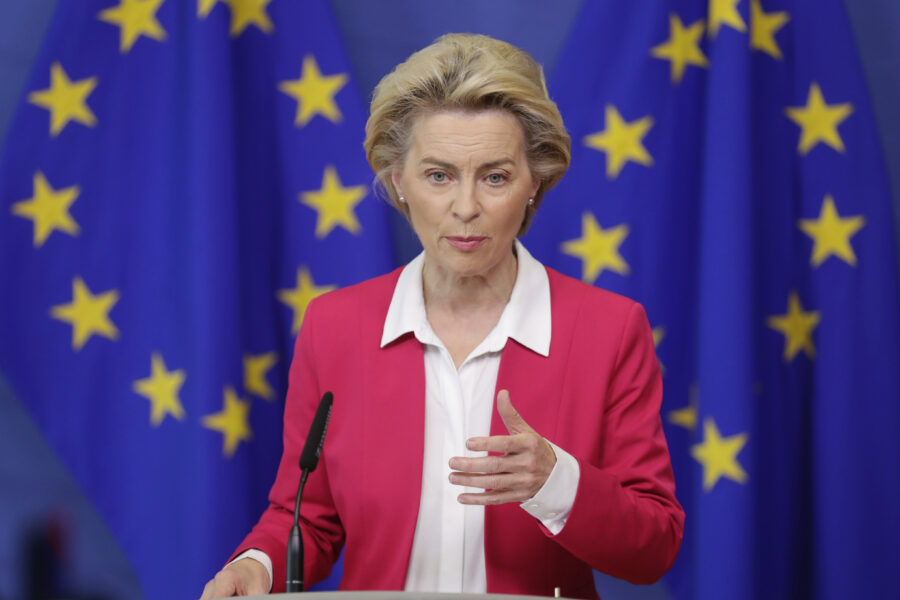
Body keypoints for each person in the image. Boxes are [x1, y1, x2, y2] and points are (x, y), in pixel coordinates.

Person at [200, 33, 684, 600]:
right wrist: (257, 565)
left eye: (495, 177)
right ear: (398, 181)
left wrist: (556, 481)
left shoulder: (609, 330)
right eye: (439, 175)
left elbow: (655, 548)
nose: (466, 207)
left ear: (535, 183)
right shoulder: (334, 327)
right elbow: (306, 514)